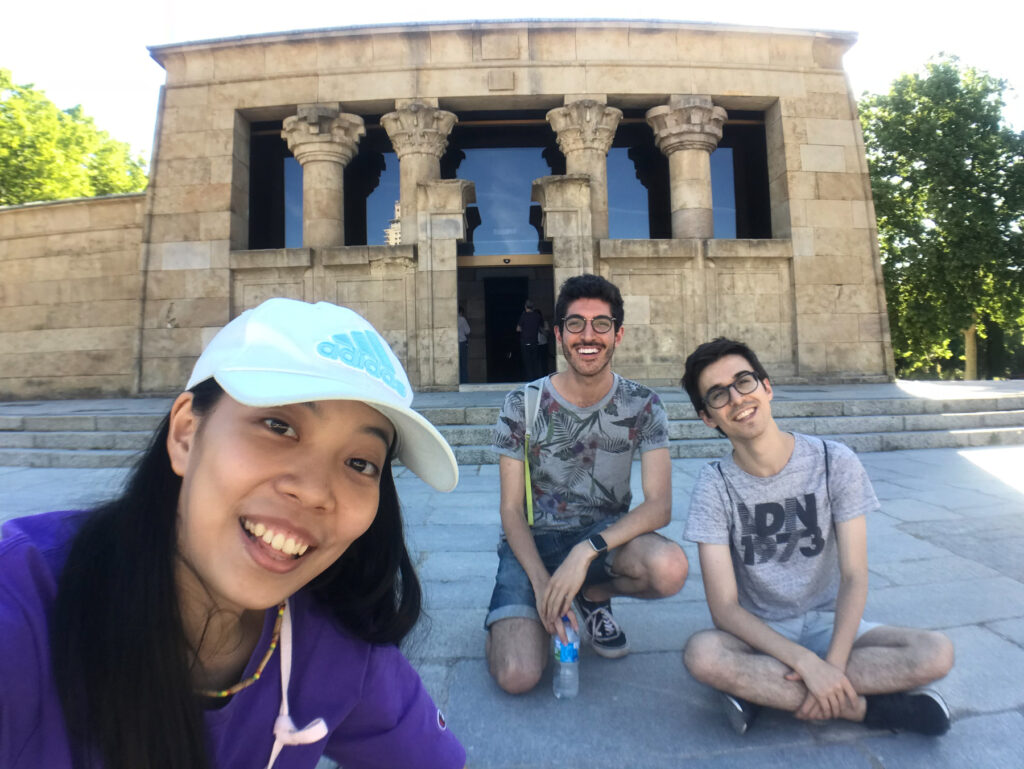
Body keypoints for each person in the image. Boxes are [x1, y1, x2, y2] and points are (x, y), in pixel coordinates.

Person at [0, 298, 467, 769]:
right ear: (185, 434)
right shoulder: (22, 606)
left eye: (360, 462)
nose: (313, 491)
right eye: (278, 426)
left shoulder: (334, 641)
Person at [679, 337, 955, 736]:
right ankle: (862, 710)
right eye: (719, 395)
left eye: (744, 382)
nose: (737, 399)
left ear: (767, 387)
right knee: (703, 656)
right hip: (761, 633)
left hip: (830, 622)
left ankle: (765, 692)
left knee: (936, 652)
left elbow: (855, 575)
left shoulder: (833, 460)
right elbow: (724, 608)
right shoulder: (714, 484)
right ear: (708, 418)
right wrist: (808, 665)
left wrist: (835, 666)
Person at [486, 274, 689, 694]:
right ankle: (525, 611)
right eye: (575, 324)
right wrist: (543, 584)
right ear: (558, 334)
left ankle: (591, 595)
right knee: (517, 675)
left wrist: (585, 552)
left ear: (619, 334)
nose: (588, 335)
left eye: (601, 323)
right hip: (535, 542)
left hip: (603, 541)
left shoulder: (643, 404)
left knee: (670, 568)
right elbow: (510, 510)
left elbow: (659, 506)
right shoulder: (521, 403)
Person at [515, 299, 543, 381]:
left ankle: (529, 379)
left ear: (525, 307)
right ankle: (536, 379)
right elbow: (541, 327)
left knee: (527, 362)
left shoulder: (523, 316)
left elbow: (518, 329)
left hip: (525, 342)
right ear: (533, 307)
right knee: (535, 361)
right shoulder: (537, 316)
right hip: (534, 342)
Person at [457, 305, 471, 384]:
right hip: (462, 343)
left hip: (454, 344)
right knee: (463, 365)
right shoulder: (462, 319)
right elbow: (468, 331)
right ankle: (464, 382)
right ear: (461, 312)